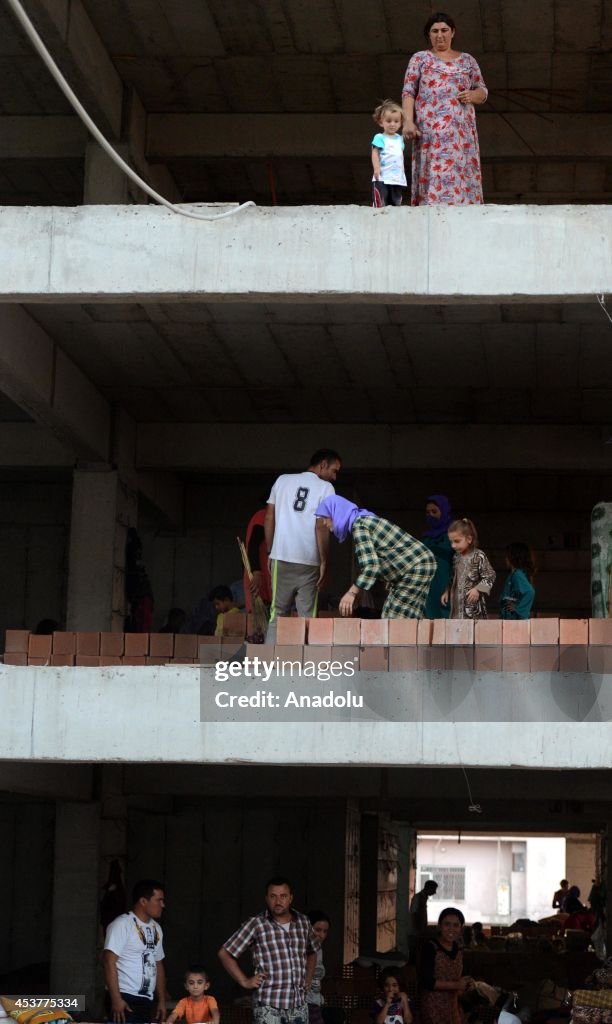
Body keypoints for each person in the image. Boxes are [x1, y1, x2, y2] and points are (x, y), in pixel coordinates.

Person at [402, 12, 488, 206]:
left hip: (461, 133)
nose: (439, 35)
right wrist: (408, 121)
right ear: (429, 35)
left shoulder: (467, 60)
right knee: (433, 169)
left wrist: (474, 95)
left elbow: (482, 90)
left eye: (444, 30)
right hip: (430, 130)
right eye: (434, 31)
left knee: (461, 169)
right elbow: (408, 92)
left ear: (453, 32)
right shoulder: (420, 59)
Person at [265, 449, 342, 642]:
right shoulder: (326, 489)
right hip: (309, 561)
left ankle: (266, 666)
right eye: (334, 470)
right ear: (323, 464)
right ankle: (306, 667)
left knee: (277, 614)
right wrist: (324, 561)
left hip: (280, 557)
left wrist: (270, 551)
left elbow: (268, 517)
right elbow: (321, 526)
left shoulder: (282, 480)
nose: (335, 476)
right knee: (307, 618)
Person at [316, 496, 435, 619]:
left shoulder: (360, 525)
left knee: (395, 619)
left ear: (337, 513)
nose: (324, 523)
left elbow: (371, 566)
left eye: (326, 518)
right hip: (415, 566)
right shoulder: (363, 520)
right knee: (394, 615)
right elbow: (386, 552)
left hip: (416, 566)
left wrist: (352, 593)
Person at [218, 876, 317, 1024]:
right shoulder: (256, 924)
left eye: (283, 896)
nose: (278, 901)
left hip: (298, 1004)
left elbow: (312, 951)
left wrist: (308, 978)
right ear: (266, 898)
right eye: (273, 896)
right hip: (268, 1005)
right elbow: (225, 953)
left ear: (290, 898)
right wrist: (245, 981)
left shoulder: (303, 922)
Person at [103, 878, 167, 1024]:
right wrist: (116, 999)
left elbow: (158, 964)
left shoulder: (157, 928)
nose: (163, 905)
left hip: (146, 999)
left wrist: (162, 1000)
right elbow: (108, 961)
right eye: (159, 900)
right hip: (124, 997)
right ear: (143, 901)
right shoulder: (122, 924)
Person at [420, 907, 474, 1024]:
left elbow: (459, 975)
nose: (451, 929)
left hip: (452, 1004)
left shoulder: (459, 948)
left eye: (456, 925)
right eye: (447, 924)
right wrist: (457, 985)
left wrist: (466, 984)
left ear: (461, 929)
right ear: (439, 926)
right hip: (433, 1006)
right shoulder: (430, 948)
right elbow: (427, 981)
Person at [443, 518, 495, 619]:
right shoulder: (456, 557)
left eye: (457, 541)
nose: (453, 545)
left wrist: (478, 589)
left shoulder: (479, 556)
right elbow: (453, 577)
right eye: (451, 542)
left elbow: (490, 575)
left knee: (473, 632)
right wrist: (447, 591)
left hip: (473, 609)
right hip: (456, 607)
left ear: (469, 539)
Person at [422, 496, 453, 619]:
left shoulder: (454, 534)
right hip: (428, 586)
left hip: (446, 584)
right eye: (428, 512)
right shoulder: (426, 538)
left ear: (444, 511)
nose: (430, 515)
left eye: (434, 511)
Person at [371, 100, 407, 208]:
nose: (392, 124)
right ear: (381, 122)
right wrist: (376, 168)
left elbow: (400, 157)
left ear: (400, 123)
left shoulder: (400, 139)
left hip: (397, 178)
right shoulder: (380, 137)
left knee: (395, 203)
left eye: (396, 121)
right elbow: (375, 153)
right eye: (389, 121)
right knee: (381, 201)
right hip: (383, 176)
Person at [245, 506, 272, 614]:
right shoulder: (263, 515)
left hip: (266, 578)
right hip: (260, 578)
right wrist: (256, 572)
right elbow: (253, 544)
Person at [306, 911, 330, 1024]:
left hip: (315, 1002)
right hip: (303, 1003)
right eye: (317, 929)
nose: (322, 935)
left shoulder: (319, 950)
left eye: (325, 931)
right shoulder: (301, 949)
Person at [500, 543, 535, 619]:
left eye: (507, 556)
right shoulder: (515, 574)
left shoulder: (517, 574)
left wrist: (518, 608)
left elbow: (530, 592)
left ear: (513, 557)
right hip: (510, 618)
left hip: (514, 620)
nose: (505, 558)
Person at [407, 880, 438, 962]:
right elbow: (414, 914)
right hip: (414, 932)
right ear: (429, 888)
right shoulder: (418, 898)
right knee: (413, 953)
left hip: (418, 931)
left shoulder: (423, 898)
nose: (435, 892)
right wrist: (418, 930)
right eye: (434, 890)